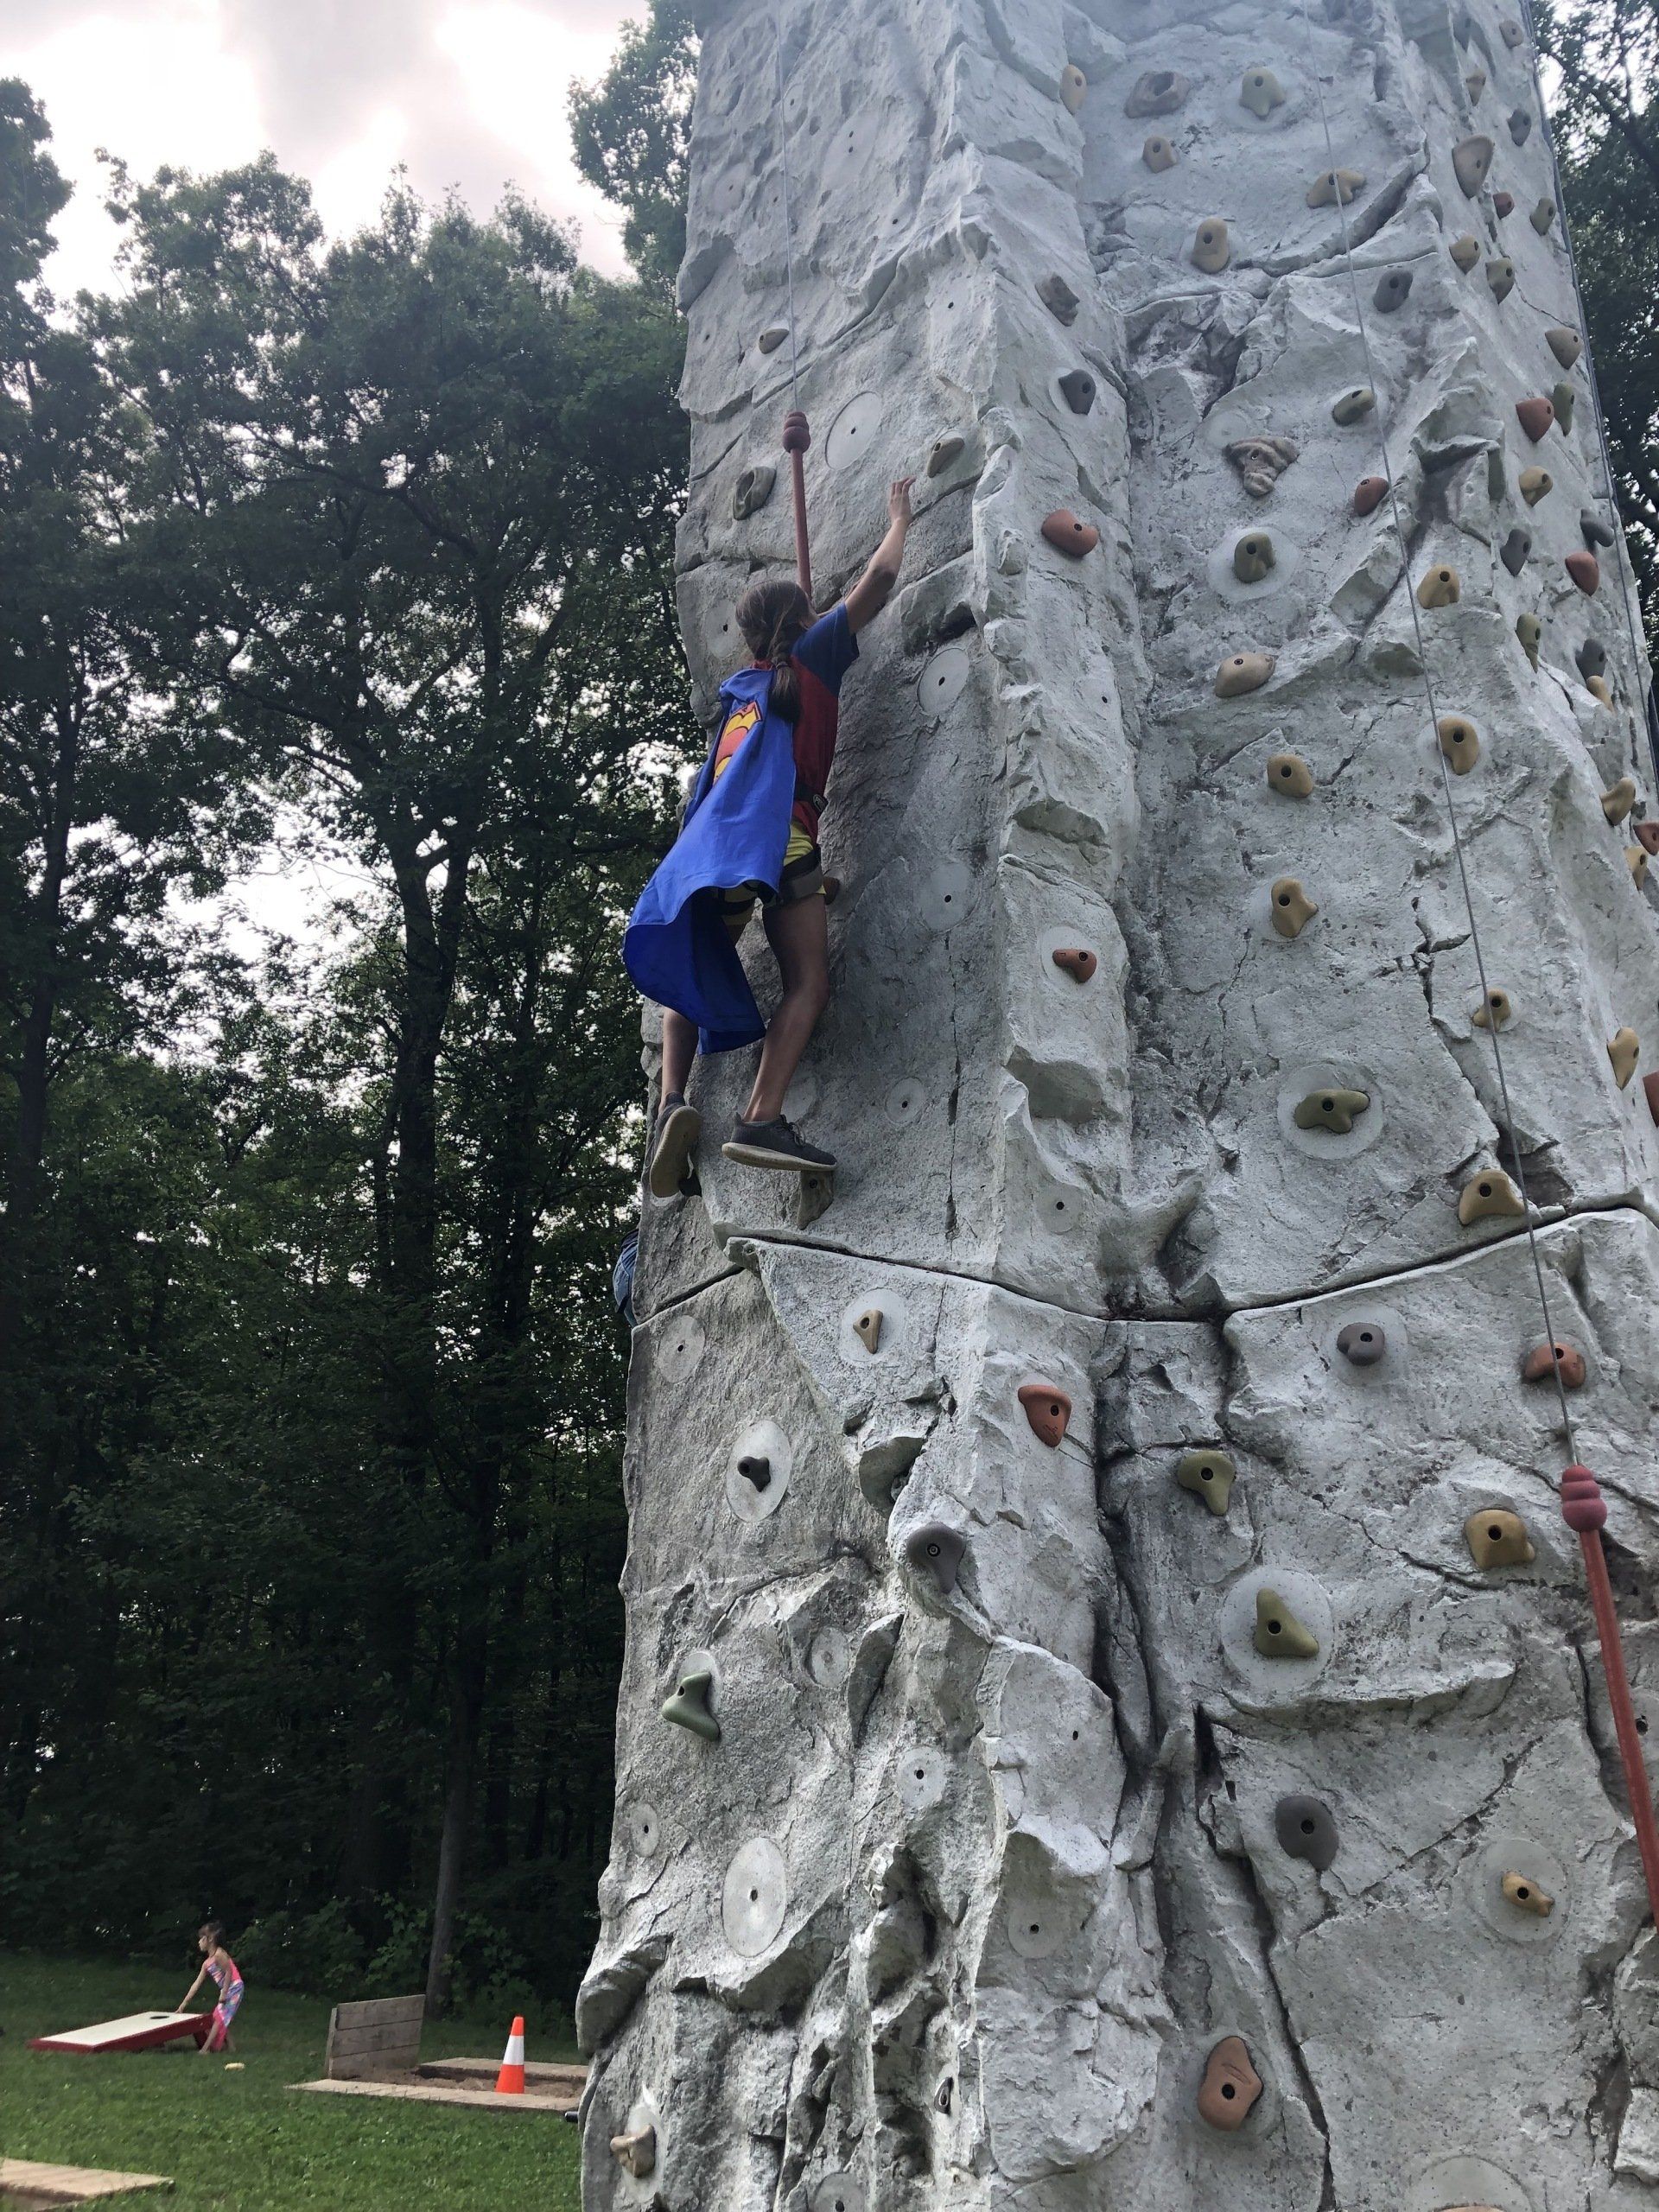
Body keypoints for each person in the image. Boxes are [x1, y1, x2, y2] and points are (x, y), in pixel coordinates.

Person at [625, 478, 916, 1196]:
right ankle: (760, 1116)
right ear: (804, 618)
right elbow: (879, 579)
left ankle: (671, 1103)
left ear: (750, 636)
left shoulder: (739, 700)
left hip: (711, 852)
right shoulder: (814, 660)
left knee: (695, 968)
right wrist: (900, 518)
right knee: (807, 981)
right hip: (781, 841)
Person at [179, 1921, 244, 2054]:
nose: (199, 1942)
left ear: (210, 1939)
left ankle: (205, 2049)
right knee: (221, 2016)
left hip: (235, 1987)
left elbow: (229, 1972)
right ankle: (231, 2048)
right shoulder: (207, 1963)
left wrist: (224, 1994)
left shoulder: (219, 1954)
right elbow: (196, 1984)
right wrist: (182, 2006)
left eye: (201, 1939)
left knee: (219, 2017)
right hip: (227, 1989)